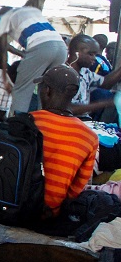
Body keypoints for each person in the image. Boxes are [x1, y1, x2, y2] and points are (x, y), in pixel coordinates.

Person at [31, 65, 99, 217]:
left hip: (10, 207)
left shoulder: (27, 121)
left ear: (46, 90)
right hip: (48, 216)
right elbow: (76, 189)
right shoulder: (89, 137)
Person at [0, 2, 67, 114]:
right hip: (62, 48)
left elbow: (3, 47)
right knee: (47, 91)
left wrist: (5, 77)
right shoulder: (28, 14)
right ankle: (45, 125)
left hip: (41, 47)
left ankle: (16, 127)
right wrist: (22, 53)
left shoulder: (4, 18)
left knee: (21, 91)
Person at [66, 34, 121, 118]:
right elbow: (65, 108)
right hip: (68, 122)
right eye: (91, 54)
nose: (95, 58)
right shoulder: (63, 74)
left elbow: (105, 83)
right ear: (76, 53)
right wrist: (103, 103)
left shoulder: (85, 72)